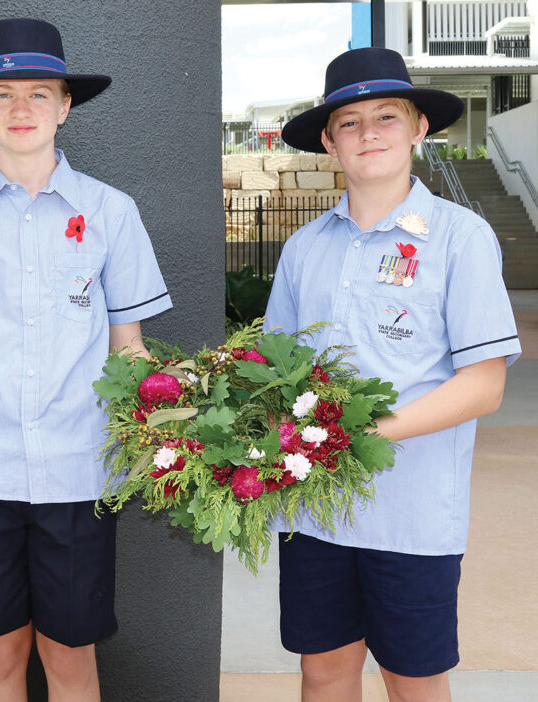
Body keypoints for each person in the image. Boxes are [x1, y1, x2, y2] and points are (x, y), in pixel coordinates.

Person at [0, 18, 171, 702]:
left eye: (40, 93)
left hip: (78, 472)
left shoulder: (112, 213)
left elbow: (130, 351)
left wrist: (181, 419)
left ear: (65, 105)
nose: (22, 110)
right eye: (3, 94)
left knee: (69, 655)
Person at [267, 48, 521, 702]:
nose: (369, 132)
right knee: (323, 672)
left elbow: (484, 384)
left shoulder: (460, 238)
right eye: (349, 122)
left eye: (387, 115)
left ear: (419, 129)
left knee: (414, 680)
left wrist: (365, 430)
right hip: (315, 510)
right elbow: (273, 372)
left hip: (411, 516)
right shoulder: (304, 248)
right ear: (328, 141)